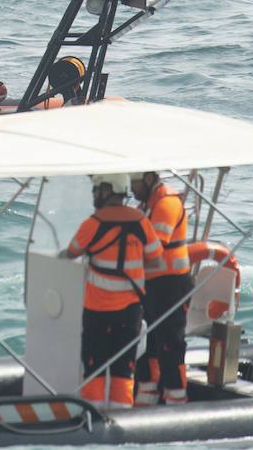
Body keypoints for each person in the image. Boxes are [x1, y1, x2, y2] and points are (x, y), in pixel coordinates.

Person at [63, 174, 164, 409]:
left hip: (97, 311)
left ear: (106, 191)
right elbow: (157, 260)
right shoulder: (141, 222)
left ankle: (93, 420)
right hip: (130, 313)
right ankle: (122, 419)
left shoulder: (93, 223)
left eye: (97, 190)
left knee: (94, 367)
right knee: (123, 370)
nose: (94, 195)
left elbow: (71, 252)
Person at [130, 171, 194, 406]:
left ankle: (176, 397)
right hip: (150, 285)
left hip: (172, 286)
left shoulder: (167, 203)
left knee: (170, 343)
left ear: (148, 179)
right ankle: (147, 395)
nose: (131, 188)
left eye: (134, 182)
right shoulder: (146, 206)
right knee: (147, 344)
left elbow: (154, 247)